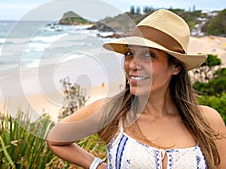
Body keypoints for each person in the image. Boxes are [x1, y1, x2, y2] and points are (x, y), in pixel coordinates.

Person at [47, 9, 226, 169]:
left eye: (149, 55)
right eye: (129, 53)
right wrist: (98, 166)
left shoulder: (207, 121)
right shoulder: (112, 113)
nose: (133, 65)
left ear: (175, 67)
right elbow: (56, 139)